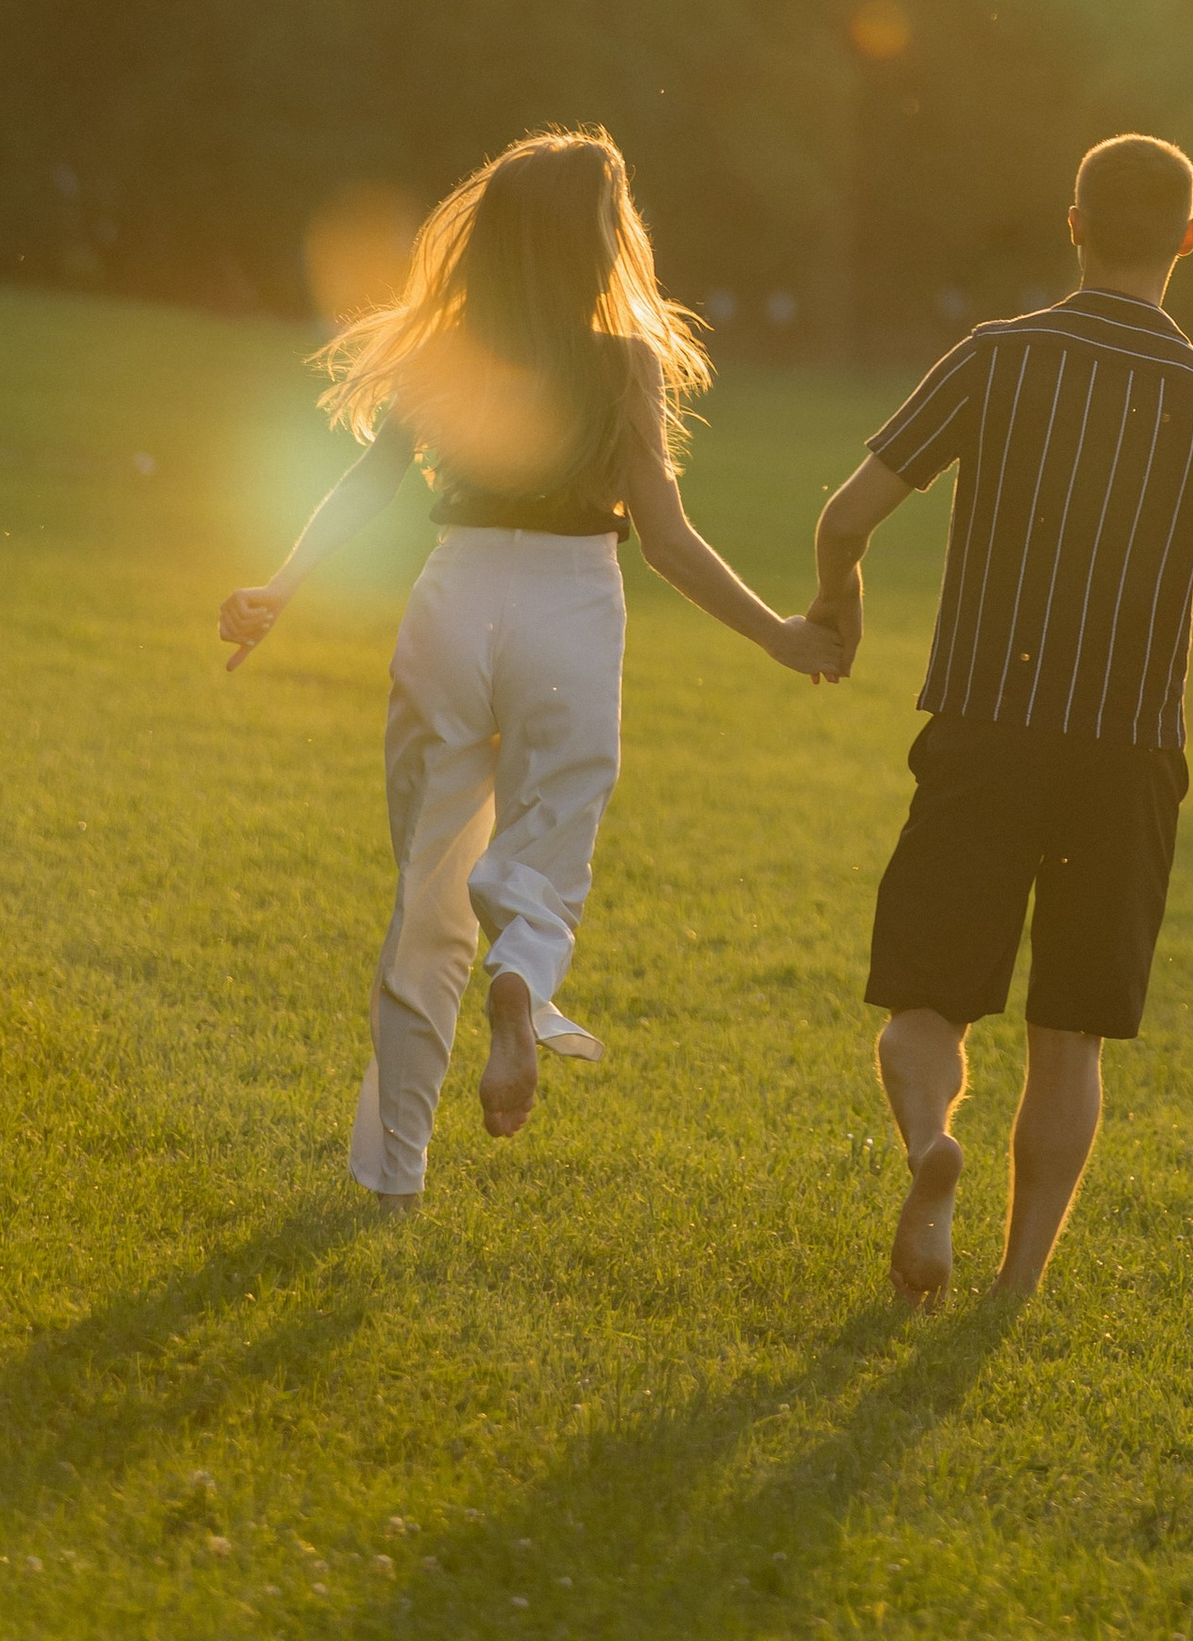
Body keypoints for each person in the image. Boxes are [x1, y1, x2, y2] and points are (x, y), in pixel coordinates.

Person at [806, 130, 1193, 1313]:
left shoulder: (994, 360)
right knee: (1068, 1034)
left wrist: (837, 605)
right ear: (1187, 237)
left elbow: (847, 512)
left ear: (1070, 223)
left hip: (983, 725)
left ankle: (930, 1144)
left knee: (926, 1000)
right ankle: (1015, 1291)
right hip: (1125, 753)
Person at [218, 126, 840, 1204]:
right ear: (601, 238)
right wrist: (779, 633)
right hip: (570, 604)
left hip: (454, 597)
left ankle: (393, 1175)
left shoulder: (443, 349)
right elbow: (668, 541)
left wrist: (280, 583)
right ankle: (521, 973)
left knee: (425, 897)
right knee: (553, 834)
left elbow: (366, 484)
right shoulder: (623, 359)